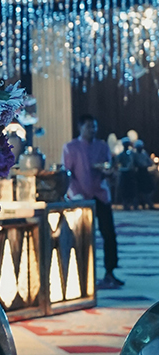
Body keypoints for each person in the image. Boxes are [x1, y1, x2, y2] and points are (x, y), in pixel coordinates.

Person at [63, 114, 122, 289]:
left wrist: (109, 172)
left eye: (94, 126)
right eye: (89, 126)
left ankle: (110, 272)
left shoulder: (102, 146)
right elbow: (67, 175)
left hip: (101, 195)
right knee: (82, 237)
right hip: (81, 198)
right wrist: (75, 195)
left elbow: (107, 168)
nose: (92, 130)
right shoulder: (71, 147)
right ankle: (82, 274)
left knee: (109, 235)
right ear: (80, 127)